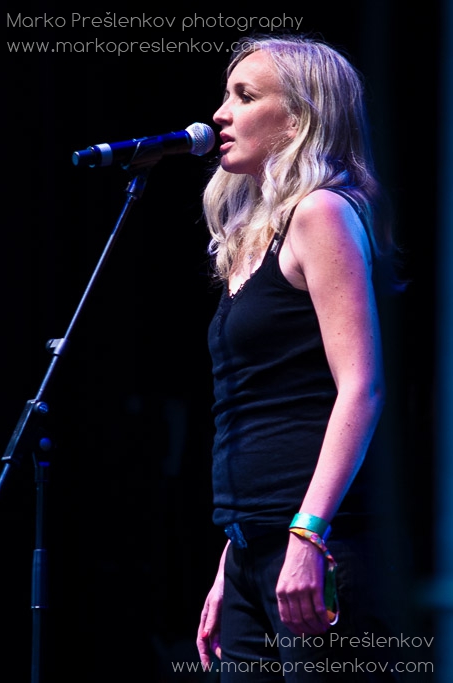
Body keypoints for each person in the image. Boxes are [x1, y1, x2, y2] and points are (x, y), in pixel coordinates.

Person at [196, 34, 405, 681]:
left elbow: (361, 386)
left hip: (320, 543)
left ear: (298, 119)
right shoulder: (250, 240)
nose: (220, 114)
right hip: (255, 546)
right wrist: (230, 562)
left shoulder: (321, 213)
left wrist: (308, 534)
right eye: (225, 95)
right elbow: (259, 404)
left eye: (244, 96)